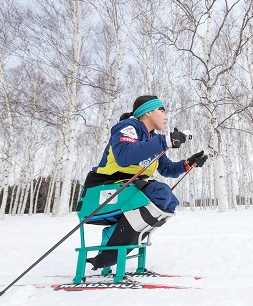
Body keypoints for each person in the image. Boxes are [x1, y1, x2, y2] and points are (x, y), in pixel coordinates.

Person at [83, 95, 207, 269]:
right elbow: (125, 156)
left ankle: (114, 239)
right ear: (148, 112)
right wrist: (165, 140)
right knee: (160, 192)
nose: (166, 117)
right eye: (161, 111)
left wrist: (189, 163)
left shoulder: (152, 138)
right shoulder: (128, 127)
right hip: (102, 192)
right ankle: (109, 251)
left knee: (169, 201)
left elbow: (166, 169)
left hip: (127, 191)